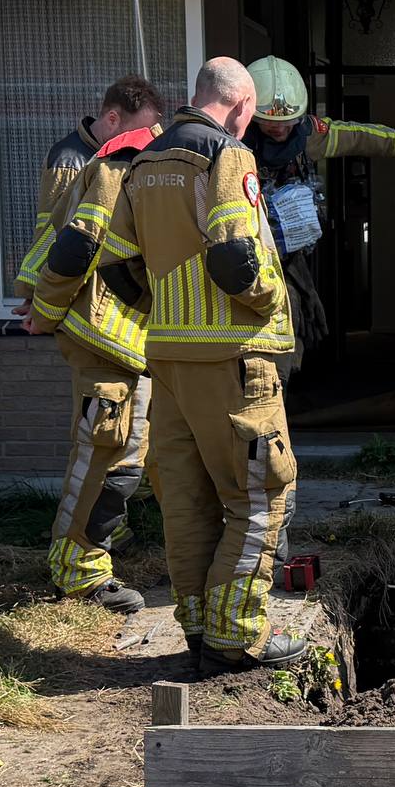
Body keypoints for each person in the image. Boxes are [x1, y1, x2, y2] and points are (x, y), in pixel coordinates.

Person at [97, 59, 310, 672]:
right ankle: (237, 636)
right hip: (234, 362)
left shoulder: (141, 163)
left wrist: (164, 309)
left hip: (166, 360)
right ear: (241, 105)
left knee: (187, 502)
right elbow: (237, 258)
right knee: (259, 495)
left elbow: (115, 266)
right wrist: (274, 298)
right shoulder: (226, 157)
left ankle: (197, 629)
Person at [15, 74, 163, 609]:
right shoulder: (97, 163)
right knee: (103, 445)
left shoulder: (131, 161)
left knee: (124, 449)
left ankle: (100, 541)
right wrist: (43, 308)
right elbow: (66, 243)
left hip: (119, 331)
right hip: (97, 326)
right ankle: (76, 568)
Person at [245, 55, 395, 381]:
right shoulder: (231, 143)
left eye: (287, 121)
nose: (280, 128)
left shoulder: (309, 134)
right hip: (247, 255)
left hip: (289, 260)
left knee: (293, 317)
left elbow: (358, 136)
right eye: (270, 121)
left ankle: (278, 389)